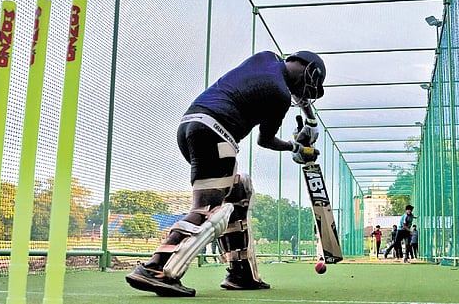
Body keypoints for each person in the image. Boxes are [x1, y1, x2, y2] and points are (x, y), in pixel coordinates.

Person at [125, 50, 326, 297]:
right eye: (310, 84)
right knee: (209, 209)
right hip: (216, 134)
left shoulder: (266, 57)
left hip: (191, 126)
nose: (305, 93)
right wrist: (297, 148)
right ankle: (155, 268)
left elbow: (296, 92)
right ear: (308, 69)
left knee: (238, 192)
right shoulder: (279, 95)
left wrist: (311, 122)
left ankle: (241, 274)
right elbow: (265, 140)